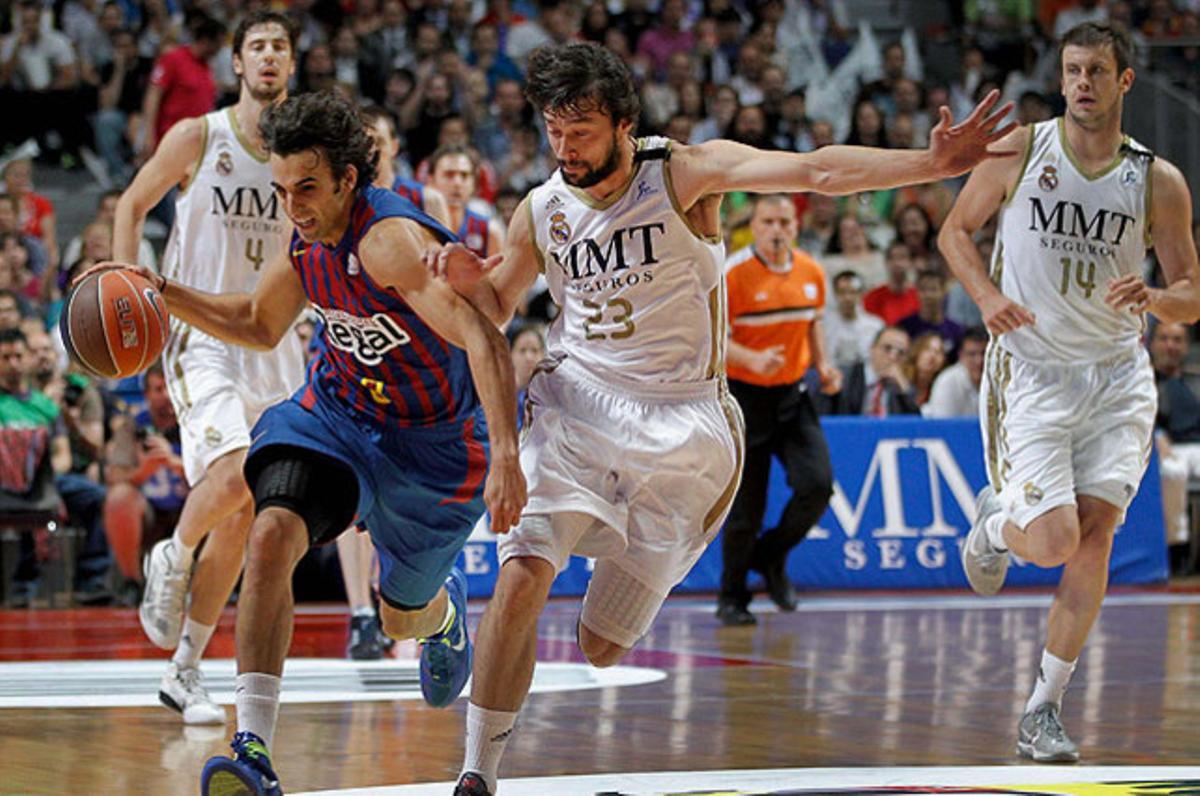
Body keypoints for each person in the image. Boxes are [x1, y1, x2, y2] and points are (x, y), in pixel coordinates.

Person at [423, 41, 1015, 796]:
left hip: (684, 428)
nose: (563, 148)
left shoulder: (683, 173)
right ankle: (478, 772)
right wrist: (473, 281)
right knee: (523, 568)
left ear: (624, 125)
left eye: (581, 131)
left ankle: (627, 563)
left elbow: (817, 172)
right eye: (552, 129)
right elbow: (500, 304)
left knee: (601, 648)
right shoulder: (541, 210)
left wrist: (929, 165)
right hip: (574, 403)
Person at [91, 89, 527, 795]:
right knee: (269, 533)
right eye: (281, 190)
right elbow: (261, 323)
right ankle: (252, 747)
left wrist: (507, 455)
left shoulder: (386, 241)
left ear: (349, 180)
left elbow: (482, 335)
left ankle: (439, 612)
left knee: (399, 612)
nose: (292, 207)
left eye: (307, 189)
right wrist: (160, 289)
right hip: (337, 416)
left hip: (434, 446)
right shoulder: (304, 239)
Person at [938, 22, 1200, 763]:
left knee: (1096, 534)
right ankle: (995, 524)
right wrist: (986, 297)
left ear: (1125, 83)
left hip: (1117, 376)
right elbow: (955, 233)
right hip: (1033, 370)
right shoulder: (1022, 148)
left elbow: (1191, 294)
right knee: (1049, 542)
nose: (1081, 82)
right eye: (1072, 70)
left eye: (1096, 71)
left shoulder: (1159, 180)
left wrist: (1154, 296)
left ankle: (1042, 708)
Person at [112, 10, 307, 726]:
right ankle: (175, 550)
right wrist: (126, 277)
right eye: (256, 46)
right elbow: (134, 203)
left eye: (279, 46)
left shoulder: (299, 157)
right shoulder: (200, 135)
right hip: (201, 336)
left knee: (251, 507)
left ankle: (185, 669)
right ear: (237, 64)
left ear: (291, 63)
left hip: (277, 343)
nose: (268, 57)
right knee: (233, 472)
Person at [716, 194, 839, 626]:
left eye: (784, 222)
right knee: (746, 507)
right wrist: (751, 360)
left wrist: (822, 364)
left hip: (792, 394)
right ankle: (731, 596)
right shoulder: (733, 273)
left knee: (818, 484)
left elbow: (813, 321)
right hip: (744, 396)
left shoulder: (811, 270)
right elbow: (712, 340)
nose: (777, 230)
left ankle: (770, 558)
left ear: (796, 226)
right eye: (768, 221)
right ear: (754, 225)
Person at [359, 104, 450, 224]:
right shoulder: (343, 201)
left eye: (379, 142)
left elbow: (449, 243)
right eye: (364, 143)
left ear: (394, 147)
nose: (371, 150)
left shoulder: (427, 199)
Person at [823, 326, 921, 417]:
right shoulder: (845, 377)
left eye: (901, 353)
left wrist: (903, 390)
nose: (893, 357)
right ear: (872, 349)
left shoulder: (902, 387)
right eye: (887, 348)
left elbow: (916, 426)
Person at [428, 144, 505, 260]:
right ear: (431, 181)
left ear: (474, 183)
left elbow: (501, 277)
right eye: (449, 175)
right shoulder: (416, 229)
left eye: (464, 175)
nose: (457, 183)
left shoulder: (490, 231)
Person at [898, 269, 966, 362]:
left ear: (944, 291)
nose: (928, 295)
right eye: (923, 289)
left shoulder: (956, 330)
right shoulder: (904, 327)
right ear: (916, 292)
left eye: (933, 289)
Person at [824, 269, 883, 370]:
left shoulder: (876, 326)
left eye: (852, 292)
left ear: (861, 294)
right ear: (835, 294)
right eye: (842, 292)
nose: (847, 297)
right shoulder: (824, 326)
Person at [924, 325, 987, 418]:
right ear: (961, 356)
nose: (979, 361)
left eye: (984, 353)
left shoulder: (999, 378)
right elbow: (943, 427)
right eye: (971, 354)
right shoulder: (947, 381)